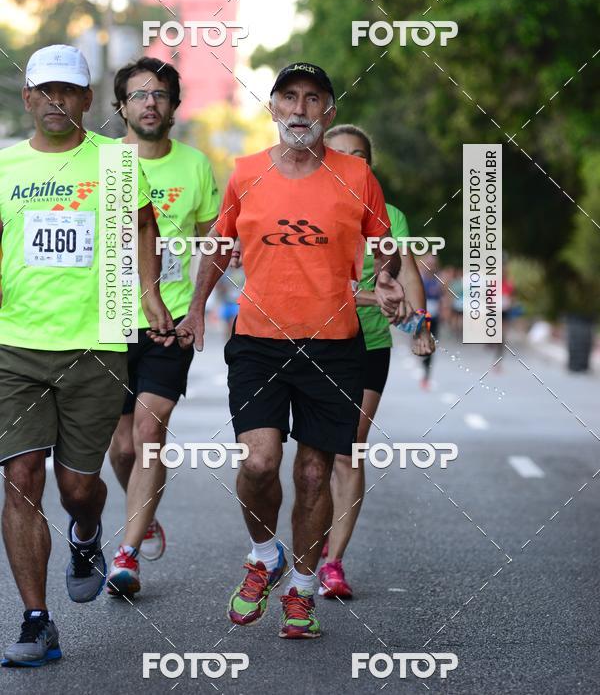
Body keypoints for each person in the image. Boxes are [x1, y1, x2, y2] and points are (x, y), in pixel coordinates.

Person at [177, 62, 406, 639]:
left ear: (329, 111)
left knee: (312, 473)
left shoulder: (357, 176)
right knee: (258, 463)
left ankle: (302, 589)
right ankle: (264, 554)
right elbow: (219, 245)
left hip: (334, 346)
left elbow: (385, 243)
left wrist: (386, 277)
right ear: (273, 106)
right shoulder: (245, 173)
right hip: (258, 341)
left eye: (312, 98)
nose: (300, 109)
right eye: (289, 97)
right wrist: (196, 306)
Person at [0, 45, 172, 668]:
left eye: (67, 91)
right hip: (15, 346)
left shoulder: (116, 162)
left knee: (76, 486)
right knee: (21, 477)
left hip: (97, 344)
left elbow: (145, 225)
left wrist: (149, 294)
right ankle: (36, 621)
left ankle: (87, 530)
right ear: (28, 98)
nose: (56, 101)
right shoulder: (4, 165)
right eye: (44, 91)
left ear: (87, 99)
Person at [106, 58, 219, 597]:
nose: (149, 103)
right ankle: (144, 515)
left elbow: (214, 244)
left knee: (149, 433)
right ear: (121, 106)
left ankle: (126, 554)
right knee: (121, 447)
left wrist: (196, 308)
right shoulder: (102, 163)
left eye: (160, 95)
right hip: (107, 319)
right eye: (138, 95)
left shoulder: (196, 166)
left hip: (167, 322)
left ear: (174, 106)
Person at [319, 124, 434, 597]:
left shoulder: (390, 214)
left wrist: (420, 326)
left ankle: (333, 561)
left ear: (369, 165)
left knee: (349, 448)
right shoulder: (309, 209)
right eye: (340, 154)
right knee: (315, 453)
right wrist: (375, 298)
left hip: (368, 343)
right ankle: (310, 539)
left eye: (359, 155)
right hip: (313, 342)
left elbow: (407, 273)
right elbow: (319, 285)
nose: (351, 162)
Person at [419, 254, 443, 390]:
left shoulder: (439, 279)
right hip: (422, 318)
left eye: (433, 264)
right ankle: (423, 360)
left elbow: (443, 297)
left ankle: (426, 374)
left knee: (431, 346)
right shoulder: (419, 278)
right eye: (428, 264)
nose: (430, 266)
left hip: (435, 317)